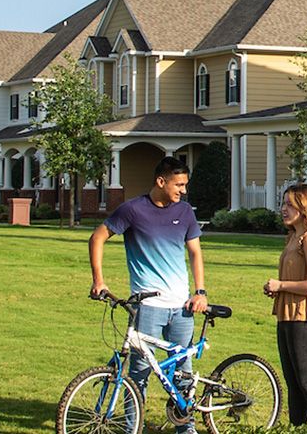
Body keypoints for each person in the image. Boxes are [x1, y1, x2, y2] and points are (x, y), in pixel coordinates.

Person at [88, 157, 208, 433]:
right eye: (179, 185)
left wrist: (200, 292)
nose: (183, 190)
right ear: (160, 181)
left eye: (185, 185)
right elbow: (97, 238)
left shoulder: (186, 212)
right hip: (147, 307)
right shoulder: (132, 210)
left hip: (182, 307)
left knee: (182, 373)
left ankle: (186, 428)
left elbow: (195, 253)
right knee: (138, 374)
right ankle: (134, 428)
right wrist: (99, 281)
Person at [263, 183, 307, 426]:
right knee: (293, 383)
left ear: (304, 208)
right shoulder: (294, 237)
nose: (283, 209)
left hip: (306, 318)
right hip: (288, 315)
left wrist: (281, 286)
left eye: (289, 205)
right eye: (282, 204)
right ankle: (298, 429)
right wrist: (278, 288)